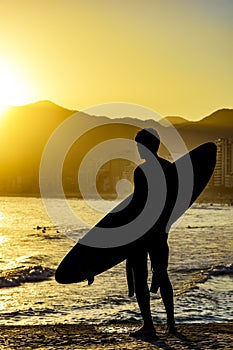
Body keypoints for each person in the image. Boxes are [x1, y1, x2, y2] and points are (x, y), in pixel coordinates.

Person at [126, 128, 177, 337]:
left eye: (139, 146)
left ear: (147, 147)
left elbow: (138, 206)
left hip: (142, 232)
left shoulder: (141, 171)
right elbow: (174, 203)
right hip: (160, 232)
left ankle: (149, 326)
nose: (138, 150)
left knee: (140, 277)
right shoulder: (169, 169)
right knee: (162, 274)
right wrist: (165, 228)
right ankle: (171, 324)